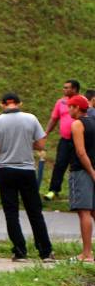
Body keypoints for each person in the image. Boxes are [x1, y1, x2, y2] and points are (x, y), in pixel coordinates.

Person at [0, 93, 54, 262]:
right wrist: (26, 143)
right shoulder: (31, 118)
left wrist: (1, 146)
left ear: (2, 104)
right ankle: (45, 252)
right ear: (19, 103)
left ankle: (19, 251)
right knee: (35, 212)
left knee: (11, 212)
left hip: (5, 170)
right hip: (26, 170)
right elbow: (41, 144)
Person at [67, 94, 95, 262]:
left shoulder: (77, 124)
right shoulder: (93, 121)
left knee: (84, 211)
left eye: (70, 107)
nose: (69, 110)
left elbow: (80, 151)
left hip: (82, 171)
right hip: (92, 168)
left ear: (77, 108)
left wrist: (91, 171)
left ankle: (86, 253)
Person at [44, 79, 81, 201]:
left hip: (80, 140)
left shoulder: (82, 101)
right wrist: (46, 133)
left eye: (67, 88)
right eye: (64, 87)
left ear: (74, 89)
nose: (64, 89)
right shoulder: (60, 102)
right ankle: (53, 190)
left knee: (77, 166)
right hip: (65, 140)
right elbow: (54, 119)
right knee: (59, 164)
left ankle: (77, 193)